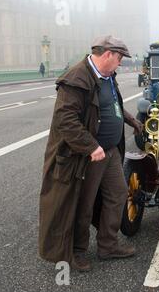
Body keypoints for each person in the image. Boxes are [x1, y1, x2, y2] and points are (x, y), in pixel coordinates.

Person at [38, 35, 143, 272]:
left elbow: (112, 105)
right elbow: (66, 120)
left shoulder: (107, 76)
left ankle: (108, 245)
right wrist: (90, 146)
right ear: (107, 55)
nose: (120, 64)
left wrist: (131, 120)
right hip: (89, 155)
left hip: (110, 151)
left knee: (118, 194)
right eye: (118, 59)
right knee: (82, 204)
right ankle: (77, 251)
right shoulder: (76, 78)